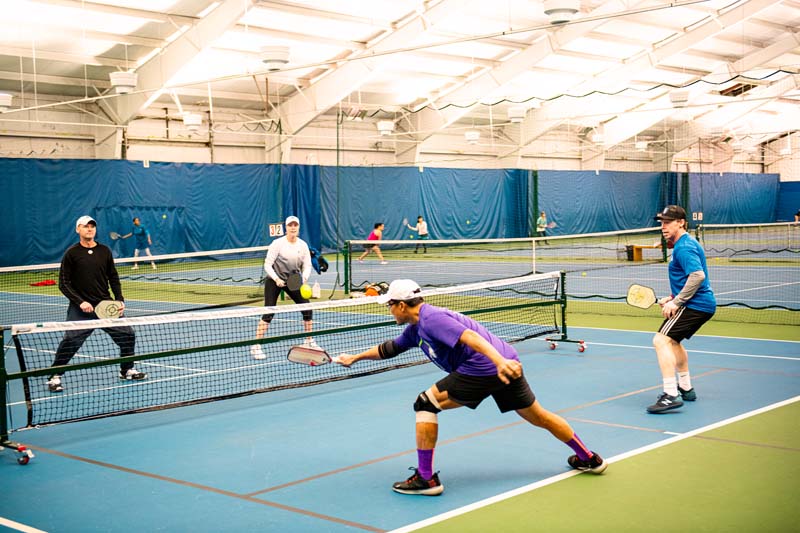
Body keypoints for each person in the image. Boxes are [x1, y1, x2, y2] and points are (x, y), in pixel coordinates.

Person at [333, 279, 606, 496]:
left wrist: (498, 363)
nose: (389, 309)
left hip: (487, 366)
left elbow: (471, 337)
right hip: (505, 362)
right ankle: (589, 458)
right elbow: (389, 349)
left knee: (425, 404)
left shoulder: (432, 320)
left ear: (402, 305)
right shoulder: (416, 328)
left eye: (389, 305)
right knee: (538, 416)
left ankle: (426, 479)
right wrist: (354, 358)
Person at [46, 216, 147, 393]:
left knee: (128, 335)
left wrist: (119, 299)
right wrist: (80, 302)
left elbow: (113, 277)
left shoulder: (104, 251)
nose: (90, 229)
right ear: (78, 229)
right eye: (85, 226)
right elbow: (64, 283)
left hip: (105, 307)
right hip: (81, 309)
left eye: (92, 226)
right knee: (71, 341)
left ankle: (126, 370)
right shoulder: (71, 253)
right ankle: (54, 376)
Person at [648, 205, 716, 414]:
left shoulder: (683, 247)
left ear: (681, 222)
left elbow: (697, 276)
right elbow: (690, 279)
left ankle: (670, 394)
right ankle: (686, 387)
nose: (663, 227)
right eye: (661, 223)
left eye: (668, 223)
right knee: (673, 341)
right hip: (700, 304)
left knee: (660, 340)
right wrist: (671, 298)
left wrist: (676, 303)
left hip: (695, 305)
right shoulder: (684, 244)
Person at [251, 216, 315, 360]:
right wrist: (276, 279)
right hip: (275, 280)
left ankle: (309, 341)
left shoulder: (303, 245)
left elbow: (307, 265)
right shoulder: (277, 244)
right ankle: (256, 346)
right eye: (290, 225)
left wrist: (303, 279)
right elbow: (267, 264)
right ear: (286, 228)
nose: (293, 228)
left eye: (295, 225)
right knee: (269, 312)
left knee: (307, 308)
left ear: (298, 227)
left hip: (294, 280)